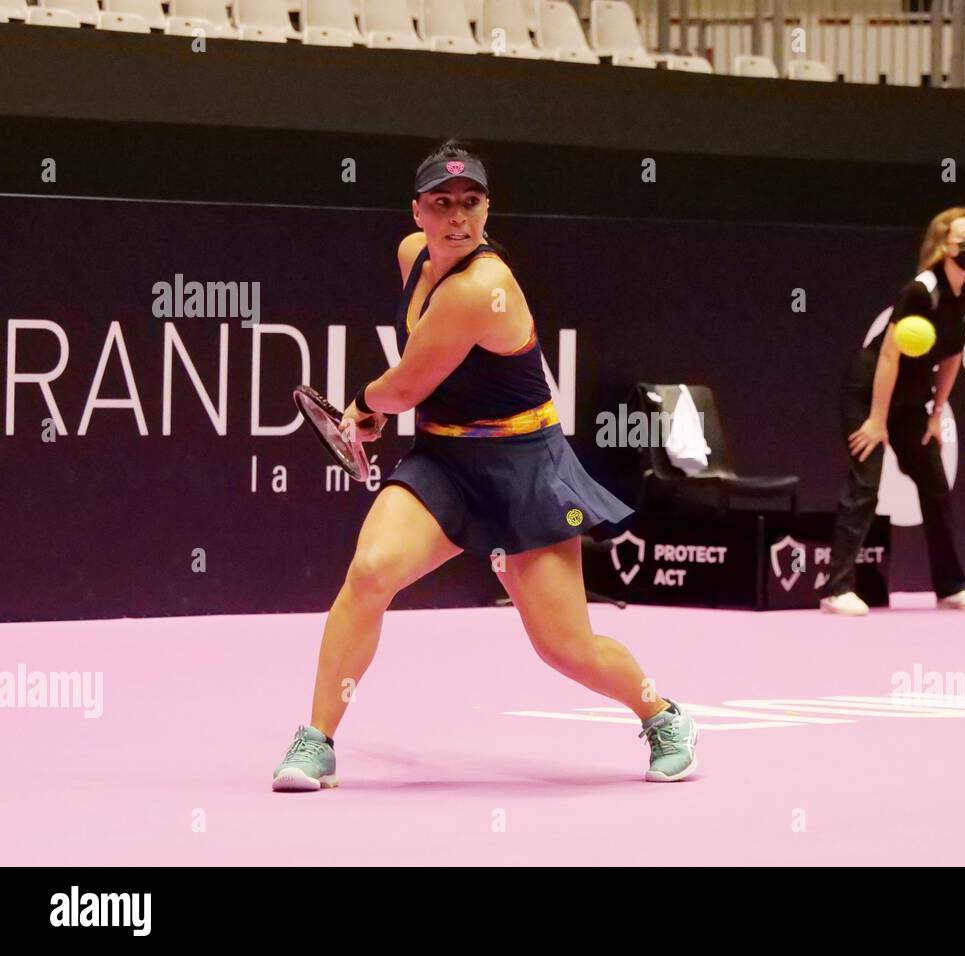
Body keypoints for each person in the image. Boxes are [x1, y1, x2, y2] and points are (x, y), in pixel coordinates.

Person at [271, 141, 698, 789]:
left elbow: (406, 386)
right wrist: (381, 407)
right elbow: (424, 380)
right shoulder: (413, 257)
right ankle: (316, 742)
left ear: (488, 208)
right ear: (417, 212)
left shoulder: (484, 287)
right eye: (441, 203)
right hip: (445, 461)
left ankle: (662, 714)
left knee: (564, 647)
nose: (456, 217)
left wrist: (364, 405)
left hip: (524, 470)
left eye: (471, 202)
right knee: (370, 573)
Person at [819, 207, 965, 617]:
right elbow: (889, 357)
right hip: (868, 391)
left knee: (934, 484)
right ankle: (837, 590)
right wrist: (876, 420)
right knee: (866, 483)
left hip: (914, 400)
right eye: (963, 236)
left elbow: (952, 356)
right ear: (943, 246)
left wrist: (936, 414)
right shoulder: (919, 290)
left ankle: (951, 587)